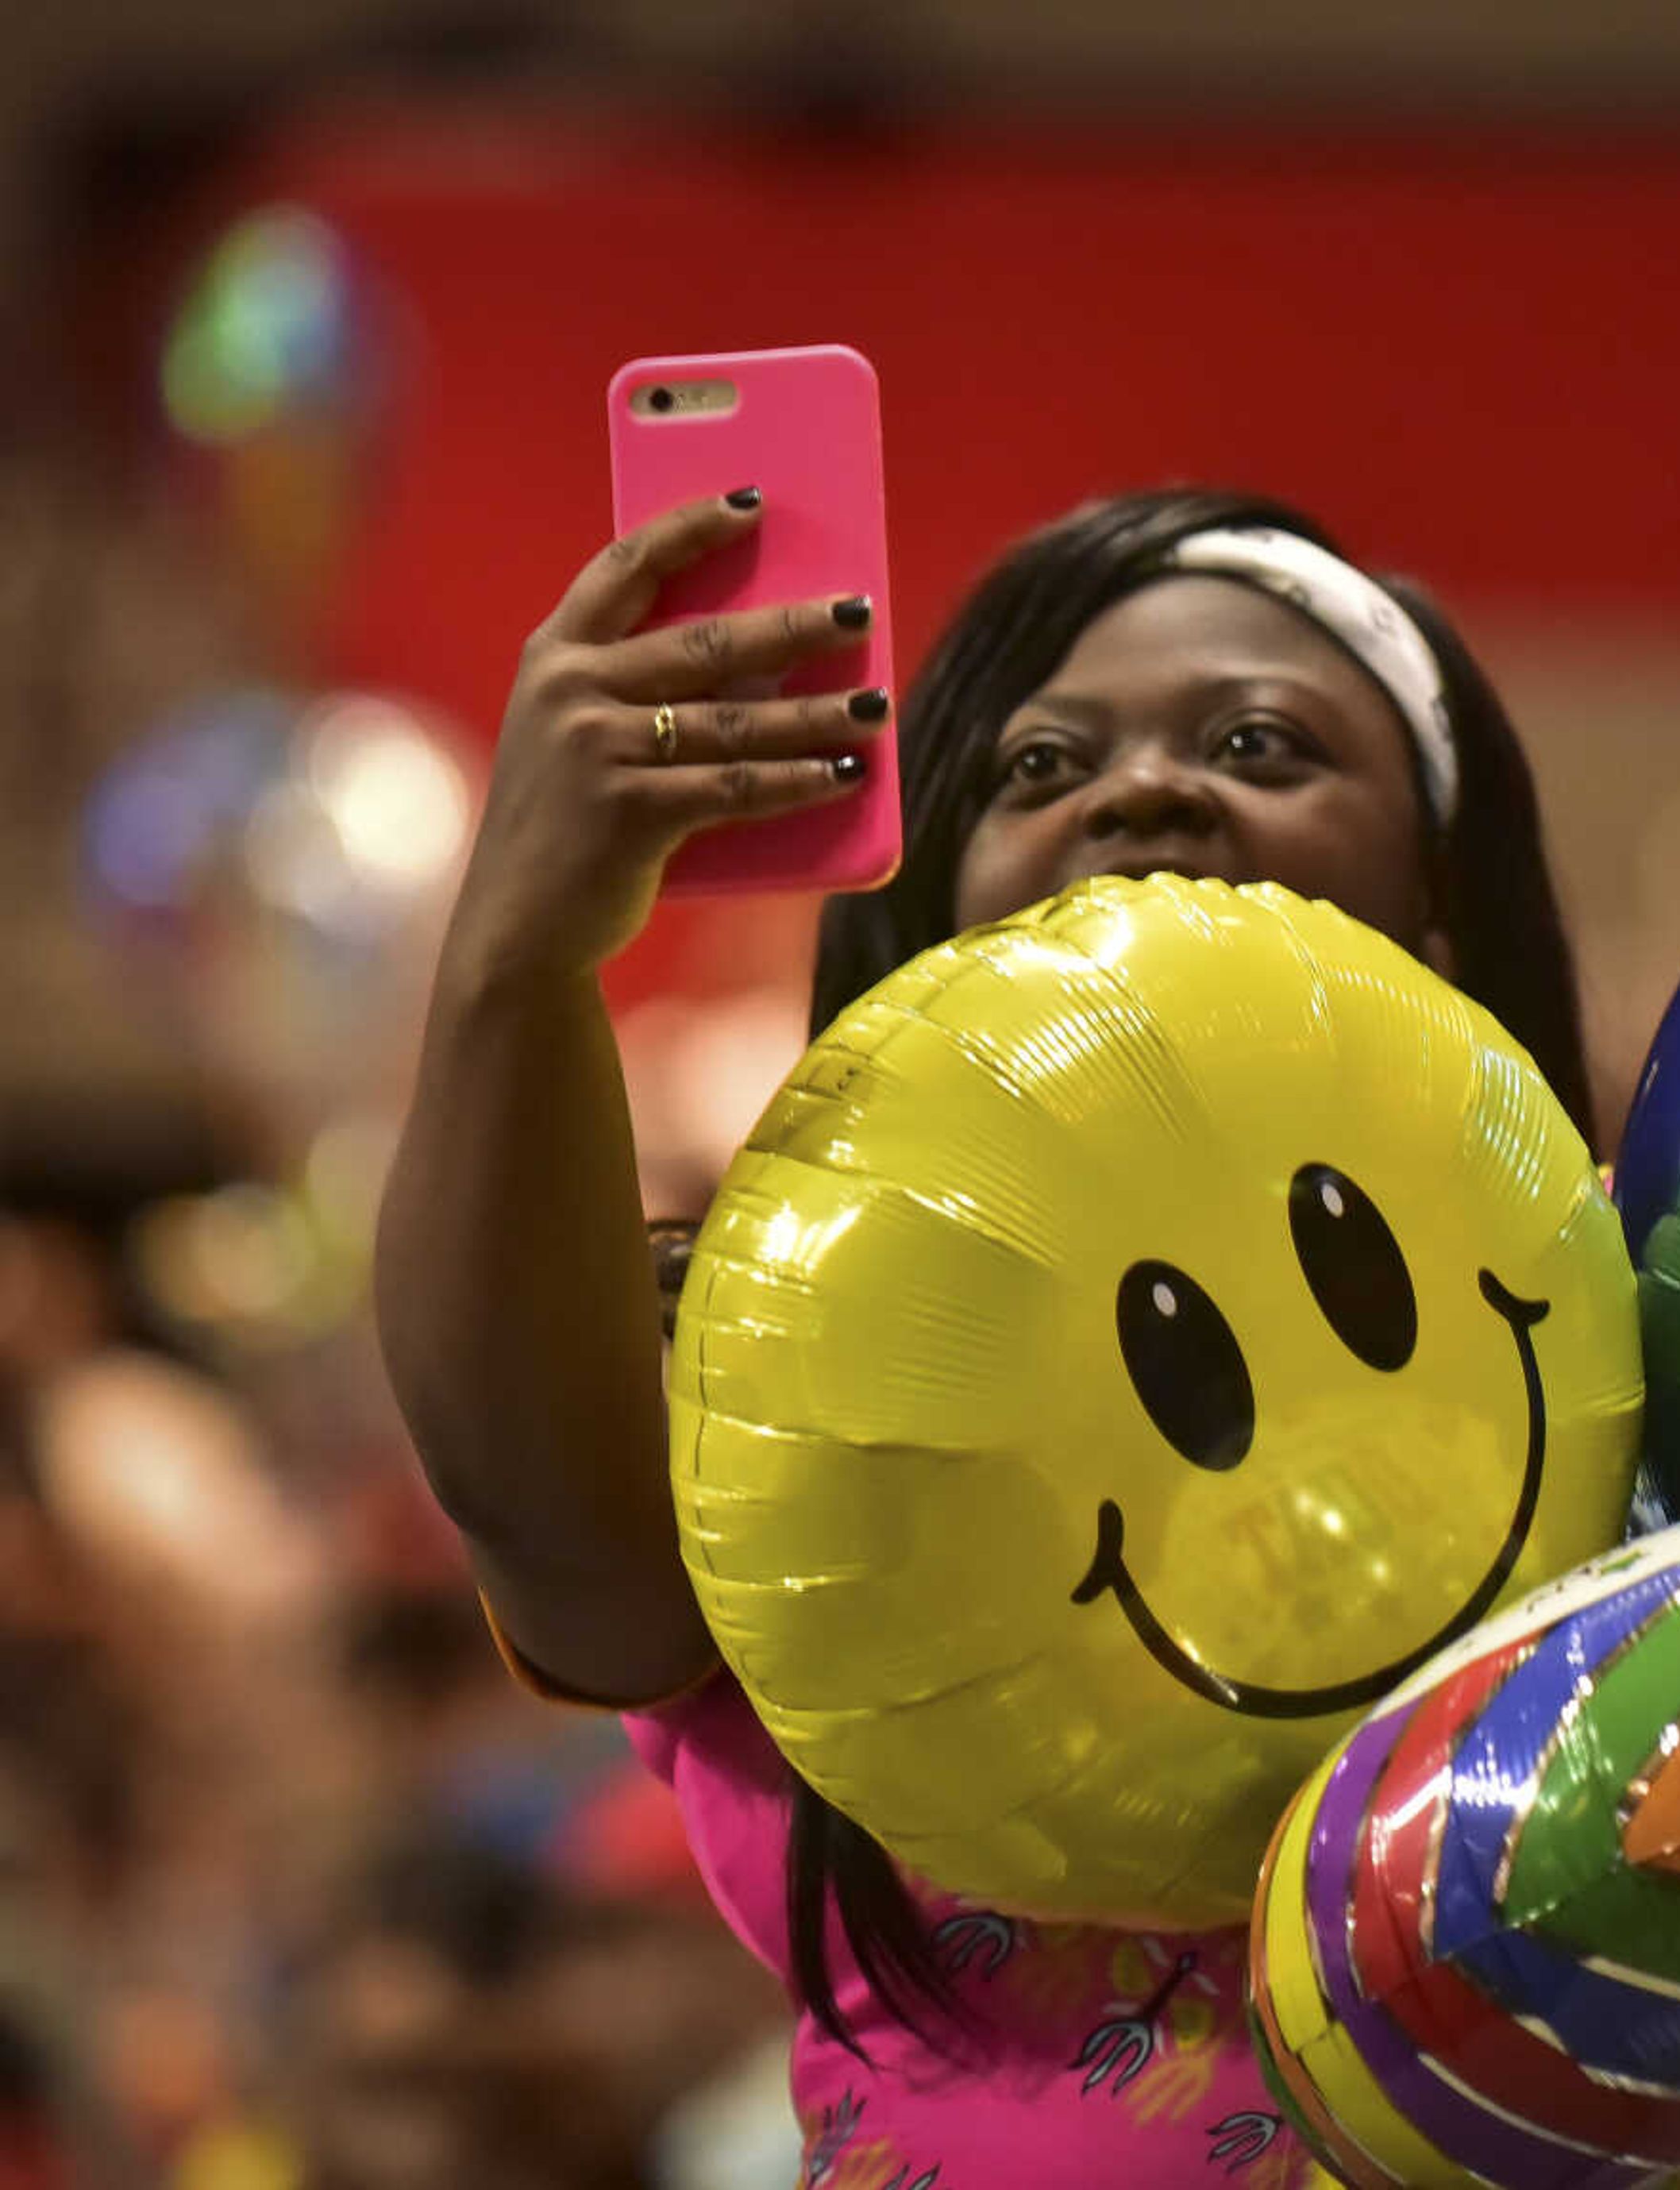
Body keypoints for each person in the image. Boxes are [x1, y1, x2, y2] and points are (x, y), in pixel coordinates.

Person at [374, 485, 1590, 2186]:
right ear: (935, 933)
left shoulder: (1630, 1383)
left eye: (1259, 740)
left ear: (1437, 917)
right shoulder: (820, 1450)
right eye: (1035, 766)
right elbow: (534, 1503)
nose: (1146, 787)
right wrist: (523, 947)